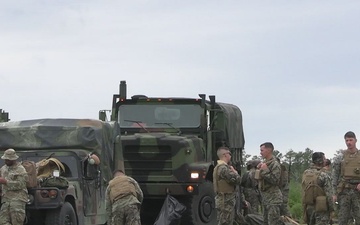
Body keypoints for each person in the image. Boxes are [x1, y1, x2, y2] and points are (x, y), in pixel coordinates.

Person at [332, 131, 360, 225]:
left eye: (351, 140)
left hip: (358, 191)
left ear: (355, 140)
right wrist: (334, 193)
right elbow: (335, 175)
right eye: (346, 140)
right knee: (343, 218)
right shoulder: (340, 157)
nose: (348, 142)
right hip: (344, 191)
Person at [302, 152, 334, 225]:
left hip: (309, 207)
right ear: (320, 161)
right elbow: (329, 195)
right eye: (324, 158)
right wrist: (331, 209)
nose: (325, 160)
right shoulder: (324, 175)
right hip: (321, 209)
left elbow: (304, 190)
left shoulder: (306, 173)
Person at [255, 142, 282, 225]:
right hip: (266, 199)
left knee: (273, 222)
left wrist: (265, 170)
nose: (260, 152)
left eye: (262, 150)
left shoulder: (274, 164)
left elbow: (275, 180)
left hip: (273, 200)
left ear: (269, 150)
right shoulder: (265, 163)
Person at [213, 146, 241, 225]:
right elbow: (237, 180)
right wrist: (235, 173)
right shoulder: (224, 168)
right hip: (226, 200)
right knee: (226, 222)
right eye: (230, 154)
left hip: (222, 199)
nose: (230, 156)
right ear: (225, 155)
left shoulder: (217, 167)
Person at [0, 148, 28, 225]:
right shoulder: (3, 168)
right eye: (5, 159)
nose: (6, 161)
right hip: (6, 199)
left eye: (8, 160)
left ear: (13, 159)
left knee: (17, 222)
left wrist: (6, 182)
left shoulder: (20, 170)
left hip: (18, 200)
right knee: (3, 222)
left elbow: (21, 184)